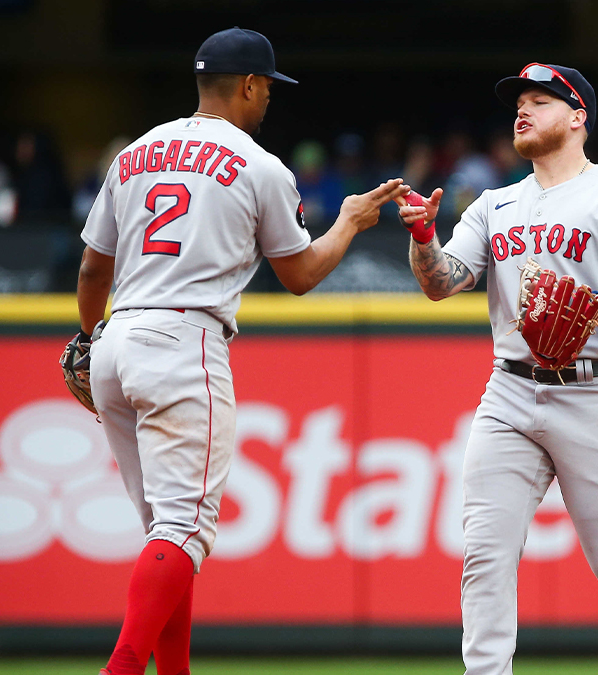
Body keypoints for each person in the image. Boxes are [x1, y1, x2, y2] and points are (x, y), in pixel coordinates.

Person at [73, 28, 406, 675]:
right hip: (182, 342)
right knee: (185, 531)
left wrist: (90, 338)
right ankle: (121, 667)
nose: (269, 101)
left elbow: (92, 271)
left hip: (117, 338)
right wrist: (350, 222)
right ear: (250, 85)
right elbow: (300, 274)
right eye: (268, 90)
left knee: (168, 536)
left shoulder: (135, 153)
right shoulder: (258, 165)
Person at [397, 63, 598, 675]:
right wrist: (425, 237)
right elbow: (442, 283)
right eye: (519, 102)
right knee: (485, 553)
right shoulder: (496, 203)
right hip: (509, 389)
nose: (523, 111)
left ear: (577, 117)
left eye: (540, 100)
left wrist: (584, 305)